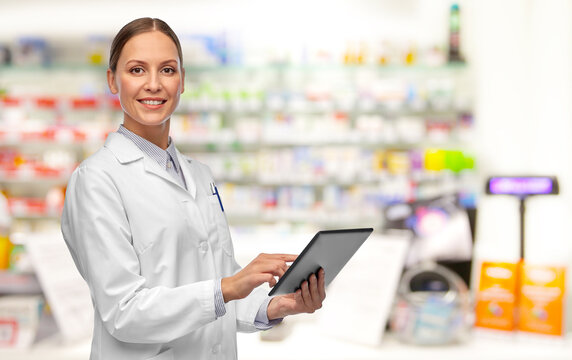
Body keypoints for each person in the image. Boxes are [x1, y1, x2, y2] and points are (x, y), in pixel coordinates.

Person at [61, 17, 325, 360]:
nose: (154, 84)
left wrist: (278, 305)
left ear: (182, 81)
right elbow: (123, 311)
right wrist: (227, 287)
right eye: (137, 70)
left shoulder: (198, 175)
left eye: (167, 70)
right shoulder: (96, 180)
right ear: (113, 80)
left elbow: (219, 290)